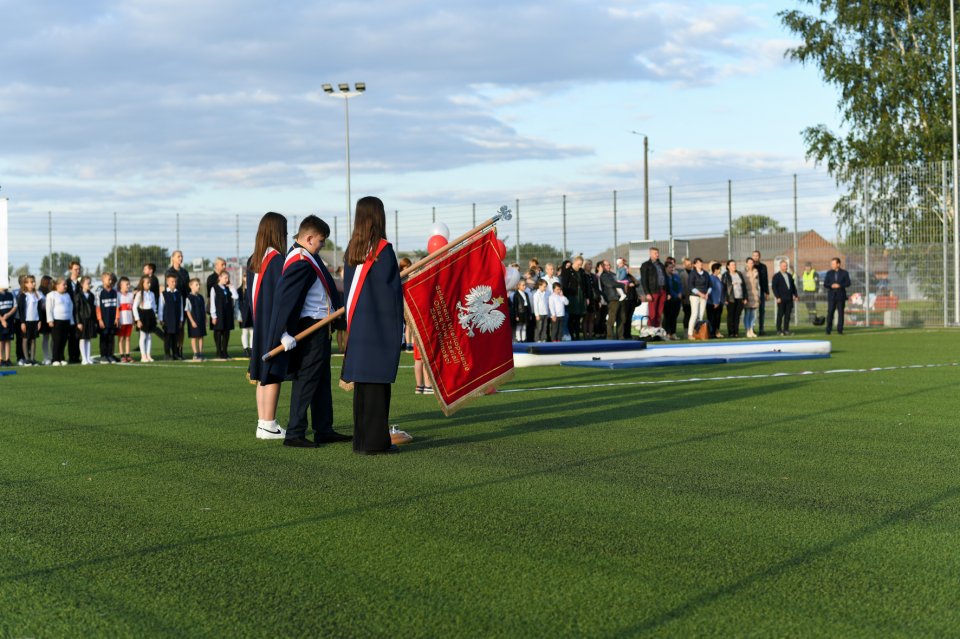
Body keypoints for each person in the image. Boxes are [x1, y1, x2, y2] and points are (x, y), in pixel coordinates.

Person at [267, 215, 349, 449]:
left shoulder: (308, 257)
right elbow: (284, 300)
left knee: (321, 380)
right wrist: (282, 332)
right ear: (309, 238)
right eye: (322, 241)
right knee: (306, 380)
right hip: (310, 328)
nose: (323, 245)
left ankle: (324, 429)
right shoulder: (300, 261)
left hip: (320, 327)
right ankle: (295, 433)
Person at [341, 197, 403, 455]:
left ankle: (362, 442)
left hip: (359, 329)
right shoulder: (382, 249)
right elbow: (390, 292)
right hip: (378, 328)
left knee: (363, 391)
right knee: (378, 389)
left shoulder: (353, 249)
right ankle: (376, 444)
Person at [247, 212, 288, 441]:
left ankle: (263, 423)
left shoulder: (255, 258)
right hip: (273, 324)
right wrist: (282, 330)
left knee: (263, 375)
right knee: (272, 374)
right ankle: (269, 423)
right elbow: (279, 298)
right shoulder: (276, 261)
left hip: (260, 323)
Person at [165, 250, 190, 359]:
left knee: (181, 328)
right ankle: (171, 351)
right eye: (178, 256)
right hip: (172, 304)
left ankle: (180, 350)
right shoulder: (169, 272)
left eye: (182, 256)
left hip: (182, 303)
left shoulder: (185, 272)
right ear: (173, 258)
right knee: (171, 329)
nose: (181, 258)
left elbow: (188, 289)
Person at [46, 278, 74, 366]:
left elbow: (70, 308)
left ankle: (61, 358)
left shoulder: (67, 295)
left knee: (64, 340)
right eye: (63, 284)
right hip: (56, 321)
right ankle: (55, 359)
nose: (65, 286)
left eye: (66, 284)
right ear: (57, 285)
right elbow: (49, 308)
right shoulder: (51, 295)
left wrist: (71, 320)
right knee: (57, 340)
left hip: (66, 320)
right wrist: (50, 320)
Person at [16, 276, 42, 366]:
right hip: (26, 321)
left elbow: (38, 308)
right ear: (26, 284)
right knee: (25, 339)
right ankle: (26, 359)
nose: (33, 284)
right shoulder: (23, 295)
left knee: (33, 339)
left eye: (33, 282)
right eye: (30, 282)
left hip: (35, 320)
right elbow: (21, 310)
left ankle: (32, 359)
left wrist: (39, 320)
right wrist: (22, 322)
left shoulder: (36, 295)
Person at [639, 247, 667, 328]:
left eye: (658, 253)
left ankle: (657, 330)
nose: (657, 255)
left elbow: (665, 278)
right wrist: (647, 293)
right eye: (655, 253)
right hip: (653, 291)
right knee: (652, 313)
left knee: (659, 312)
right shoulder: (645, 265)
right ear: (650, 254)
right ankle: (650, 330)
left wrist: (667, 292)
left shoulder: (661, 265)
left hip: (662, 290)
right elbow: (643, 280)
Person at [209, 271, 234, 360]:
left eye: (227, 278)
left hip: (227, 314)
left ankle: (225, 351)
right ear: (220, 277)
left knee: (226, 333)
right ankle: (219, 351)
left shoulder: (227, 288)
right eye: (225, 278)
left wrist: (231, 287)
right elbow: (212, 302)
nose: (227, 280)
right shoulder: (214, 288)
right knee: (218, 332)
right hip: (218, 313)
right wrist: (213, 315)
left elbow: (235, 296)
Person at [158, 273, 184, 360]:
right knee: (167, 338)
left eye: (175, 281)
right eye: (172, 281)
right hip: (167, 319)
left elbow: (181, 307)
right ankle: (167, 354)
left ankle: (175, 354)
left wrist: (181, 319)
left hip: (176, 319)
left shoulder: (178, 294)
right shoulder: (164, 294)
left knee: (175, 337)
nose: (174, 283)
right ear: (167, 282)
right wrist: (161, 319)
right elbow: (161, 307)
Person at [823, 257, 851, 335]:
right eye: (831, 264)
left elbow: (848, 283)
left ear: (838, 264)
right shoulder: (829, 273)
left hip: (840, 296)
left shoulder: (844, 273)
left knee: (841, 313)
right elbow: (825, 283)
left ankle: (840, 330)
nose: (832, 265)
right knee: (830, 313)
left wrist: (840, 285)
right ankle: (828, 330)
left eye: (833, 264)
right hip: (831, 296)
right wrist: (831, 285)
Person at [599, 259, 626, 339]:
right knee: (612, 318)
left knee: (621, 318)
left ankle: (620, 336)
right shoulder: (603, 276)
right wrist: (622, 284)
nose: (608, 266)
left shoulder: (613, 274)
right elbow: (610, 284)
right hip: (612, 299)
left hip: (620, 298)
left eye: (609, 264)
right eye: (606, 265)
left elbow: (618, 281)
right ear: (602, 266)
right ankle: (610, 336)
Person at [133, 275, 157, 363]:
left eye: (150, 282)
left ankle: (148, 355)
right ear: (142, 284)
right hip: (143, 315)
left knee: (149, 336)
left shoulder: (152, 294)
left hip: (150, 315)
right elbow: (134, 307)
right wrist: (137, 320)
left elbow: (154, 305)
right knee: (143, 336)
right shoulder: (139, 294)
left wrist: (154, 315)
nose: (149, 284)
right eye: (147, 283)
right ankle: (143, 356)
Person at [74, 276, 97, 365]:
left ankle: (88, 357)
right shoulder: (78, 295)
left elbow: (93, 308)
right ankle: (84, 358)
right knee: (83, 338)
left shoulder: (91, 295)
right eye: (88, 283)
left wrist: (95, 321)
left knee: (89, 338)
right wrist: (78, 322)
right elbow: (76, 310)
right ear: (82, 284)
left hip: (90, 320)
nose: (89, 285)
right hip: (82, 320)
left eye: (90, 283)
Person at [562, 257, 586, 340]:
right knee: (571, 317)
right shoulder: (568, 271)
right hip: (571, 296)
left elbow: (584, 284)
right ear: (574, 262)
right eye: (578, 264)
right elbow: (564, 284)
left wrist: (586, 296)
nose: (579, 266)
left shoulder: (582, 272)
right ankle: (571, 335)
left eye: (581, 264)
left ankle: (577, 335)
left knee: (578, 317)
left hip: (580, 297)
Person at [97, 272, 119, 363]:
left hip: (112, 320)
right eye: (108, 279)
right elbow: (98, 307)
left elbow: (118, 306)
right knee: (104, 337)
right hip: (104, 320)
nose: (110, 281)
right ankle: (103, 355)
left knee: (111, 337)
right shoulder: (100, 292)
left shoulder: (115, 292)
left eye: (111, 280)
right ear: (103, 280)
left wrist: (117, 318)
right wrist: (100, 319)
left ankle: (110, 355)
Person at [772, 260, 799, 335]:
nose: (785, 267)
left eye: (786, 266)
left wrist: (796, 295)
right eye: (784, 266)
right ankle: (779, 330)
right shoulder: (776, 276)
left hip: (789, 299)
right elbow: (774, 288)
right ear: (780, 266)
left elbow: (793, 287)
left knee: (788, 315)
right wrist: (777, 297)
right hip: (781, 299)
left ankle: (786, 330)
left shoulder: (789, 276)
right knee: (780, 314)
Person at [687, 258, 711, 338]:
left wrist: (707, 293)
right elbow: (691, 286)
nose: (700, 264)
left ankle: (699, 333)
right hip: (695, 296)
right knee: (694, 314)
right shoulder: (692, 273)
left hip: (704, 296)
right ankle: (690, 334)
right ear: (695, 264)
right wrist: (700, 294)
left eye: (701, 262)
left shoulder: (706, 273)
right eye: (698, 263)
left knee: (701, 316)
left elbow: (710, 285)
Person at [721, 260, 746, 338]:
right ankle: (731, 332)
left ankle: (736, 332)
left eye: (734, 265)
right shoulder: (725, 275)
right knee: (731, 316)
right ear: (728, 266)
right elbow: (723, 288)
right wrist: (725, 299)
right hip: (731, 298)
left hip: (740, 297)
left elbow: (744, 286)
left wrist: (745, 297)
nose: (734, 266)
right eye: (732, 265)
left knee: (737, 316)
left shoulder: (739, 274)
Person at [186, 277, 208, 360]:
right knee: (194, 337)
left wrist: (205, 318)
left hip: (201, 319)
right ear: (191, 286)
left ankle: (201, 353)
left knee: (201, 336)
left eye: (199, 285)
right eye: (196, 285)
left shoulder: (201, 297)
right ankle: (195, 353)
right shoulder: (189, 297)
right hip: (194, 320)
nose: (198, 286)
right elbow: (187, 310)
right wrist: (192, 321)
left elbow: (204, 309)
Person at [66, 260, 83, 364]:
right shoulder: (66, 283)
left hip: (79, 312)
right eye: (75, 269)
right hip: (69, 312)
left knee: (78, 335)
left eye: (79, 269)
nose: (78, 271)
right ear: (70, 270)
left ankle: (77, 356)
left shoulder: (81, 283)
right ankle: (71, 356)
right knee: (71, 336)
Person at [662, 259, 683, 340]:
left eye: (673, 267)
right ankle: (667, 333)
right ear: (666, 268)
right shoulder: (665, 278)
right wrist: (675, 294)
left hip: (677, 300)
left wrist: (680, 293)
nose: (672, 269)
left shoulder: (676, 276)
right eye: (670, 267)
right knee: (667, 317)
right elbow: (668, 288)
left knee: (674, 317)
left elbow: (680, 285)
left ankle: (673, 333)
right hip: (669, 299)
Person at [116, 276, 135, 363]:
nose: (128, 286)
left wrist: (134, 319)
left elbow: (132, 308)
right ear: (121, 285)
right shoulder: (118, 295)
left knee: (128, 338)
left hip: (129, 321)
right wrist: (118, 319)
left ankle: (128, 355)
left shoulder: (131, 295)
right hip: (122, 321)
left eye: (129, 284)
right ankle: (122, 355)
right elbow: (117, 308)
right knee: (121, 338)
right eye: (126, 284)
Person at [752, 251, 770, 336]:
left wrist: (767, 292)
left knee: (762, 311)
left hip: (762, 291)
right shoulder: (750, 266)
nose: (756, 257)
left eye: (757, 256)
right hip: (753, 292)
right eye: (754, 256)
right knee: (752, 311)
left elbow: (765, 279)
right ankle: (751, 329)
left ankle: (761, 329)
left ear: (759, 256)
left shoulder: (763, 267)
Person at [238, 267, 254, 358]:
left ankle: (252, 349)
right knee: (245, 332)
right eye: (245, 276)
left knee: (252, 332)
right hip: (244, 314)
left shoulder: (252, 288)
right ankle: (245, 349)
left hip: (251, 314)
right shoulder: (240, 290)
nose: (246, 278)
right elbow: (238, 304)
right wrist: (240, 316)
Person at [743, 258, 760, 338]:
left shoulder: (756, 272)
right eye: (749, 263)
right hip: (747, 296)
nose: (751, 264)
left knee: (753, 315)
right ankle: (747, 330)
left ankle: (751, 330)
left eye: (752, 263)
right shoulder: (744, 273)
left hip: (755, 296)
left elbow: (757, 285)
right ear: (746, 263)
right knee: (747, 314)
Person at [38, 275, 53, 364]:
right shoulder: (40, 292)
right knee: (46, 337)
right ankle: (46, 357)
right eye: (50, 282)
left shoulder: (52, 291)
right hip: (44, 317)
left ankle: (52, 356)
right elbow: (42, 306)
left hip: (52, 316)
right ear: (46, 282)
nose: (52, 284)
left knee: (53, 338)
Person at [707, 262, 725, 338]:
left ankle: (716, 332)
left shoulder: (717, 278)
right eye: (719, 269)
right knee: (712, 319)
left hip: (719, 302)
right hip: (712, 303)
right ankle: (711, 333)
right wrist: (715, 302)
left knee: (717, 319)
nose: (720, 270)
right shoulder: (711, 278)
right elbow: (712, 291)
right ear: (715, 270)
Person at [582, 259, 598, 339]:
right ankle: (585, 335)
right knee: (586, 318)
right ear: (584, 265)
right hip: (586, 299)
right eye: (588, 264)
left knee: (592, 317)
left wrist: (598, 298)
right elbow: (583, 288)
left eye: (591, 264)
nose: (590, 266)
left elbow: (596, 288)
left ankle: (590, 335)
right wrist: (585, 297)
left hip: (593, 299)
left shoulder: (593, 276)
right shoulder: (583, 275)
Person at [511, 278, 531, 342]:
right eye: (523, 285)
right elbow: (515, 306)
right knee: (519, 326)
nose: (524, 286)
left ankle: (523, 338)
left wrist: (529, 313)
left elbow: (528, 304)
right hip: (520, 312)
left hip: (525, 311)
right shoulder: (516, 295)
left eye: (525, 285)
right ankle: (518, 338)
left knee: (524, 326)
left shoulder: (526, 294)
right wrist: (516, 315)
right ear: (518, 286)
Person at [0, 284, 15, 366]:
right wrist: (2, 320)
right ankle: (1, 359)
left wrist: (8, 315)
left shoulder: (11, 294)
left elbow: (15, 306)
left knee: (8, 340)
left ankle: (7, 359)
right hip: (1, 321)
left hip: (9, 321)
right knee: (1, 340)